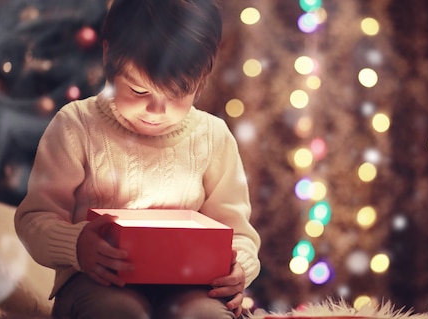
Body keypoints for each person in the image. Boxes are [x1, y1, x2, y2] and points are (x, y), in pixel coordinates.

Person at [14, 0, 261, 318]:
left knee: (206, 315)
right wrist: (76, 245)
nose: (156, 112)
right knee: (118, 312)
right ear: (108, 56)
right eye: (139, 91)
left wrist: (237, 265)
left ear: (202, 78)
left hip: (191, 288)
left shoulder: (213, 137)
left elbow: (237, 232)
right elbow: (33, 219)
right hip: (97, 284)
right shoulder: (77, 125)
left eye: (175, 95)